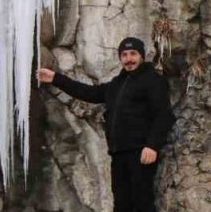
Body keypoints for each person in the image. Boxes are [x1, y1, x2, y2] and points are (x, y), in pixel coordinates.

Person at [36, 37, 174, 212]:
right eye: (124, 55)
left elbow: (164, 115)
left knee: (142, 202)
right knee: (121, 204)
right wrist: (56, 78)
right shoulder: (117, 84)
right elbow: (90, 93)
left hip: (140, 152)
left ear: (141, 56)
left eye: (133, 54)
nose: (129, 58)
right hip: (118, 153)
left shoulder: (153, 80)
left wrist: (152, 146)